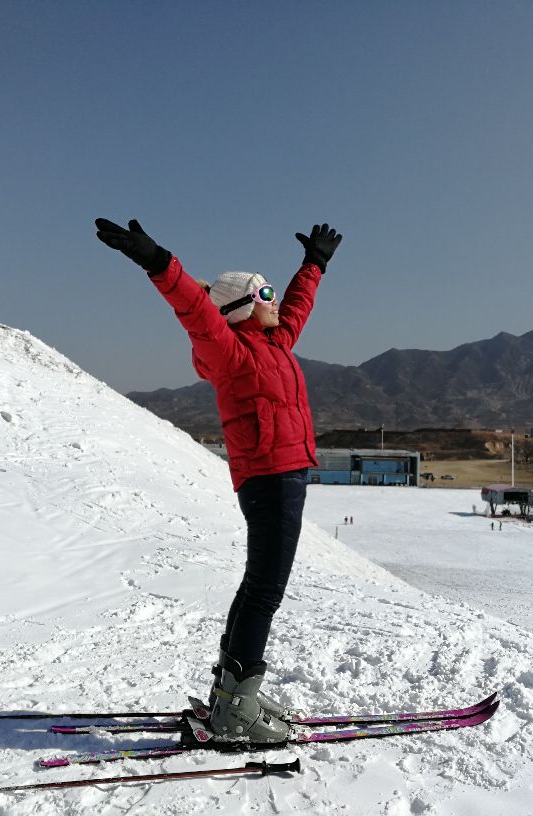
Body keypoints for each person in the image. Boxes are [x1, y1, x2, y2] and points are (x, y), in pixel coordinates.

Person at [95, 216, 341, 742]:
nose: (275, 299)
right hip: (269, 478)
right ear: (242, 307)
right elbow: (194, 309)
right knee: (266, 591)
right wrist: (156, 260)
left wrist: (314, 264)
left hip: (286, 474)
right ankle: (235, 710)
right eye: (264, 293)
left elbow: (297, 307)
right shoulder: (228, 351)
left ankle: (231, 692)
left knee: (257, 585)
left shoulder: (275, 343)